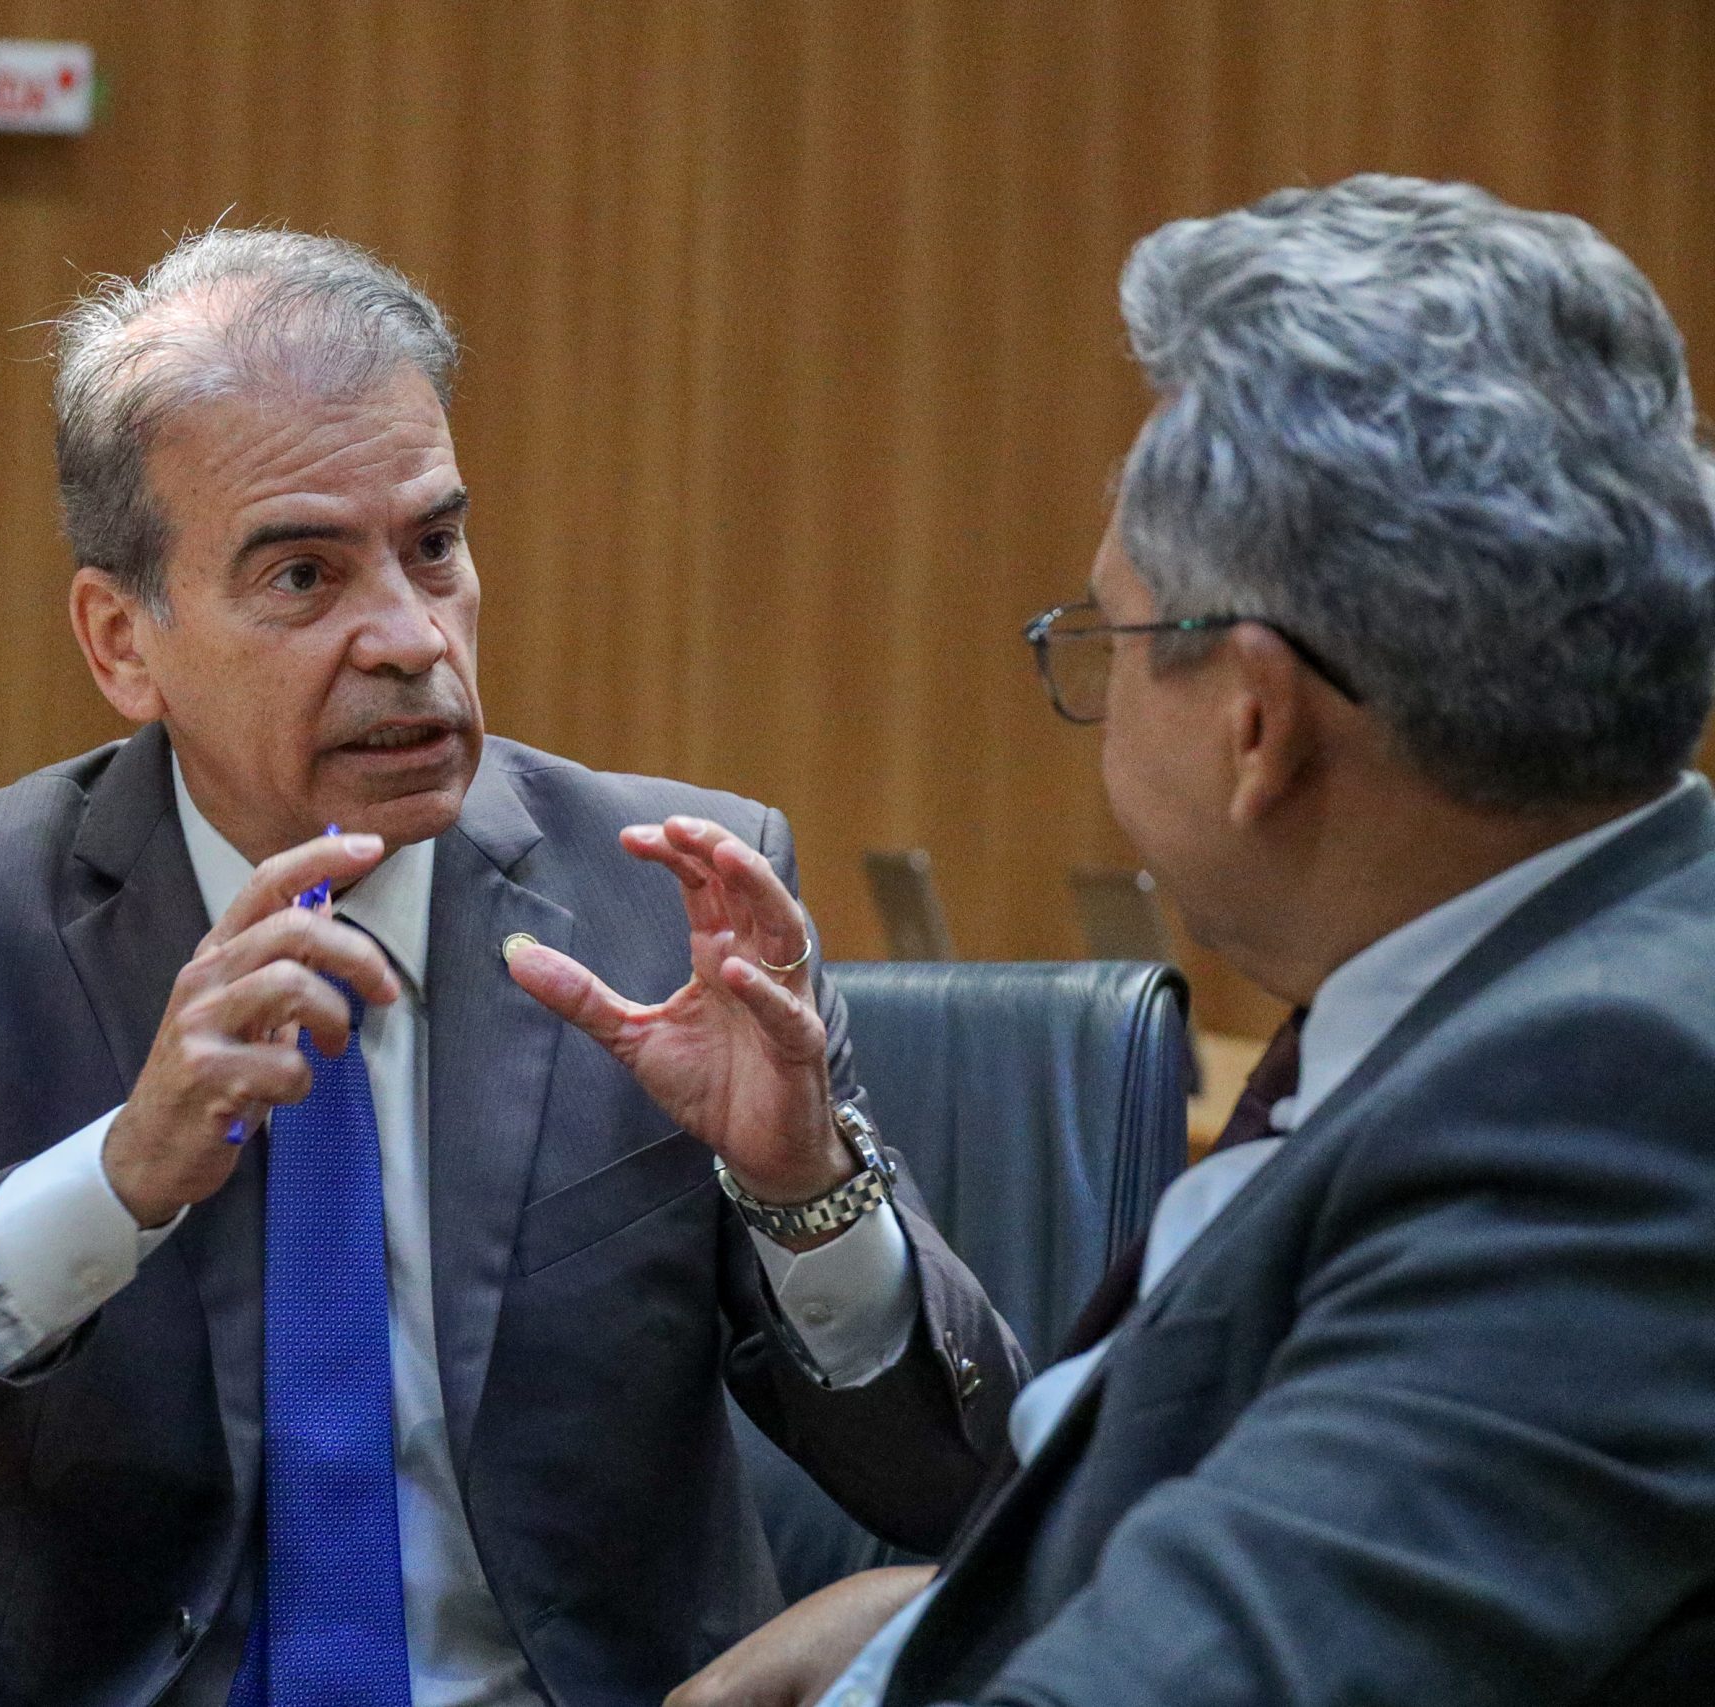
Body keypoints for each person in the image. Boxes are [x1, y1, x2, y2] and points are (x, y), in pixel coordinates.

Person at [0, 227, 1022, 1707]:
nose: (407, 637)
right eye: (305, 574)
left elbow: (963, 1491)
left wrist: (801, 1193)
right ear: (123, 641)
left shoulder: (666, 896)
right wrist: (120, 1178)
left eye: (434, 547)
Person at [673, 174, 1715, 1707]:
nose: (1088, 699)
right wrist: (937, 1622)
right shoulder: (1549, 985)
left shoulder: (1606, 1123)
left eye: (1101, 636)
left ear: (1253, 723)